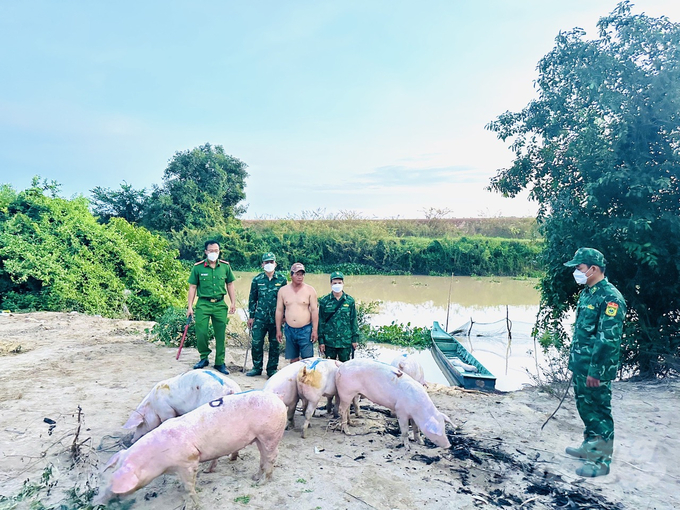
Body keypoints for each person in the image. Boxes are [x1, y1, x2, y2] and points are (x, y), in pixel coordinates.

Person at [563, 247, 626, 478]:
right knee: (586, 409)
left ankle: (600, 462)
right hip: (582, 365)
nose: (576, 272)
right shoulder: (588, 293)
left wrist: (596, 371)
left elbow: (608, 339)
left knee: (599, 413)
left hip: (596, 369)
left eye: (579, 268)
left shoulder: (611, 297)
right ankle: (588, 447)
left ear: (593, 268)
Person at [187, 240, 236, 375]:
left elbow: (230, 285)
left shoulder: (225, 267)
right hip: (203, 303)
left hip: (220, 304)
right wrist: (189, 306)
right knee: (201, 331)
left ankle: (219, 362)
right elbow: (192, 287)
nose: (214, 253)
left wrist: (233, 302)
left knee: (220, 334)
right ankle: (204, 357)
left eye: (216, 251)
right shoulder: (198, 267)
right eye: (211, 251)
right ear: (206, 252)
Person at [246, 252, 287, 377]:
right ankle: (257, 367)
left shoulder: (282, 279)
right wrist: (251, 316)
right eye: (266, 262)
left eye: (271, 262)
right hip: (260, 318)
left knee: (274, 343)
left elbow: (286, 299)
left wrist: (285, 316)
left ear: (275, 264)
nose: (269, 264)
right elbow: (252, 299)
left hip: (276, 318)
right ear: (262, 264)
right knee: (257, 342)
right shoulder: (257, 280)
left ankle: (271, 369)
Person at [275, 262, 318, 362]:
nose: (300, 277)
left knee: (307, 359)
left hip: (305, 329)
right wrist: (278, 329)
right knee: (293, 359)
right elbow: (279, 311)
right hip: (289, 330)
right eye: (297, 274)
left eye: (302, 274)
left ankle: (307, 377)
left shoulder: (310, 290)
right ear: (291, 275)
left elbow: (315, 311)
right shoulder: (283, 290)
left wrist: (315, 330)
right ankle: (295, 377)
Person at [318, 271, 359, 362]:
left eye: (339, 283)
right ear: (331, 284)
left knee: (345, 367)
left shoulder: (349, 301)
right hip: (329, 342)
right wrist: (321, 341)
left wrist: (354, 339)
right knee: (329, 368)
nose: (337, 285)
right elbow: (321, 322)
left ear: (343, 283)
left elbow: (353, 320)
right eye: (335, 283)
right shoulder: (324, 301)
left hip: (345, 341)